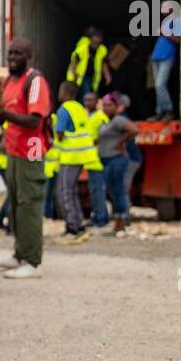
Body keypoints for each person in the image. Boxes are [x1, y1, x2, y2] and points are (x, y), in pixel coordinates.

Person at [0, 39, 52, 278]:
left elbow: (34, 120)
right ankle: (19, 254)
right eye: (10, 53)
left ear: (29, 55)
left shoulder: (35, 81)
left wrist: (4, 114)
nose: (13, 57)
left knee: (29, 203)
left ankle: (31, 260)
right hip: (13, 149)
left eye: (18, 53)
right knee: (17, 204)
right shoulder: (10, 81)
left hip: (31, 149)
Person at [53, 81, 96, 244]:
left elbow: (60, 132)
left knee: (64, 192)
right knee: (72, 191)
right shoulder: (80, 109)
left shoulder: (64, 110)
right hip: (81, 156)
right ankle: (78, 224)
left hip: (69, 156)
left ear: (64, 93)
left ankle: (72, 226)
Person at [96, 93, 137, 233]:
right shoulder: (105, 122)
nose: (106, 108)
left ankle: (121, 223)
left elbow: (133, 129)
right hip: (107, 161)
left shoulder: (118, 120)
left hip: (117, 160)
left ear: (116, 107)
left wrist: (122, 142)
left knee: (118, 191)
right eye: (104, 105)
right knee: (113, 192)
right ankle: (119, 223)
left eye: (110, 105)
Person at [84, 91, 110, 228]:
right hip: (90, 158)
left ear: (96, 102)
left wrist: (92, 142)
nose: (88, 103)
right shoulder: (86, 115)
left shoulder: (100, 117)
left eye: (91, 100)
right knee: (94, 190)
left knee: (98, 189)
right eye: (86, 100)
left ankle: (101, 218)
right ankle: (99, 216)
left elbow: (103, 136)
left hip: (98, 158)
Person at [152, 3, 180, 119]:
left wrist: (165, 33)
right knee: (157, 86)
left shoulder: (178, 21)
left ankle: (169, 110)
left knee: (160, 85)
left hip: (166, 58)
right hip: (156, 57)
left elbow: (178, 40)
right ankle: (160, 112)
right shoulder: (166, 22)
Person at [66, 26, 108, 93]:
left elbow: (103, 63)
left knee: (86, 95)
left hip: (92, 78)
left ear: (101, 40)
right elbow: (74, 61)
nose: (97, 40)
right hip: (80, 77)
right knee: (85, 94)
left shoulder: (102, 51)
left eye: (99, 38)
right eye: (95, 37)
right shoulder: (83, 48)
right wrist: (74, 75)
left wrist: (107, 76)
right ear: (91, 38)